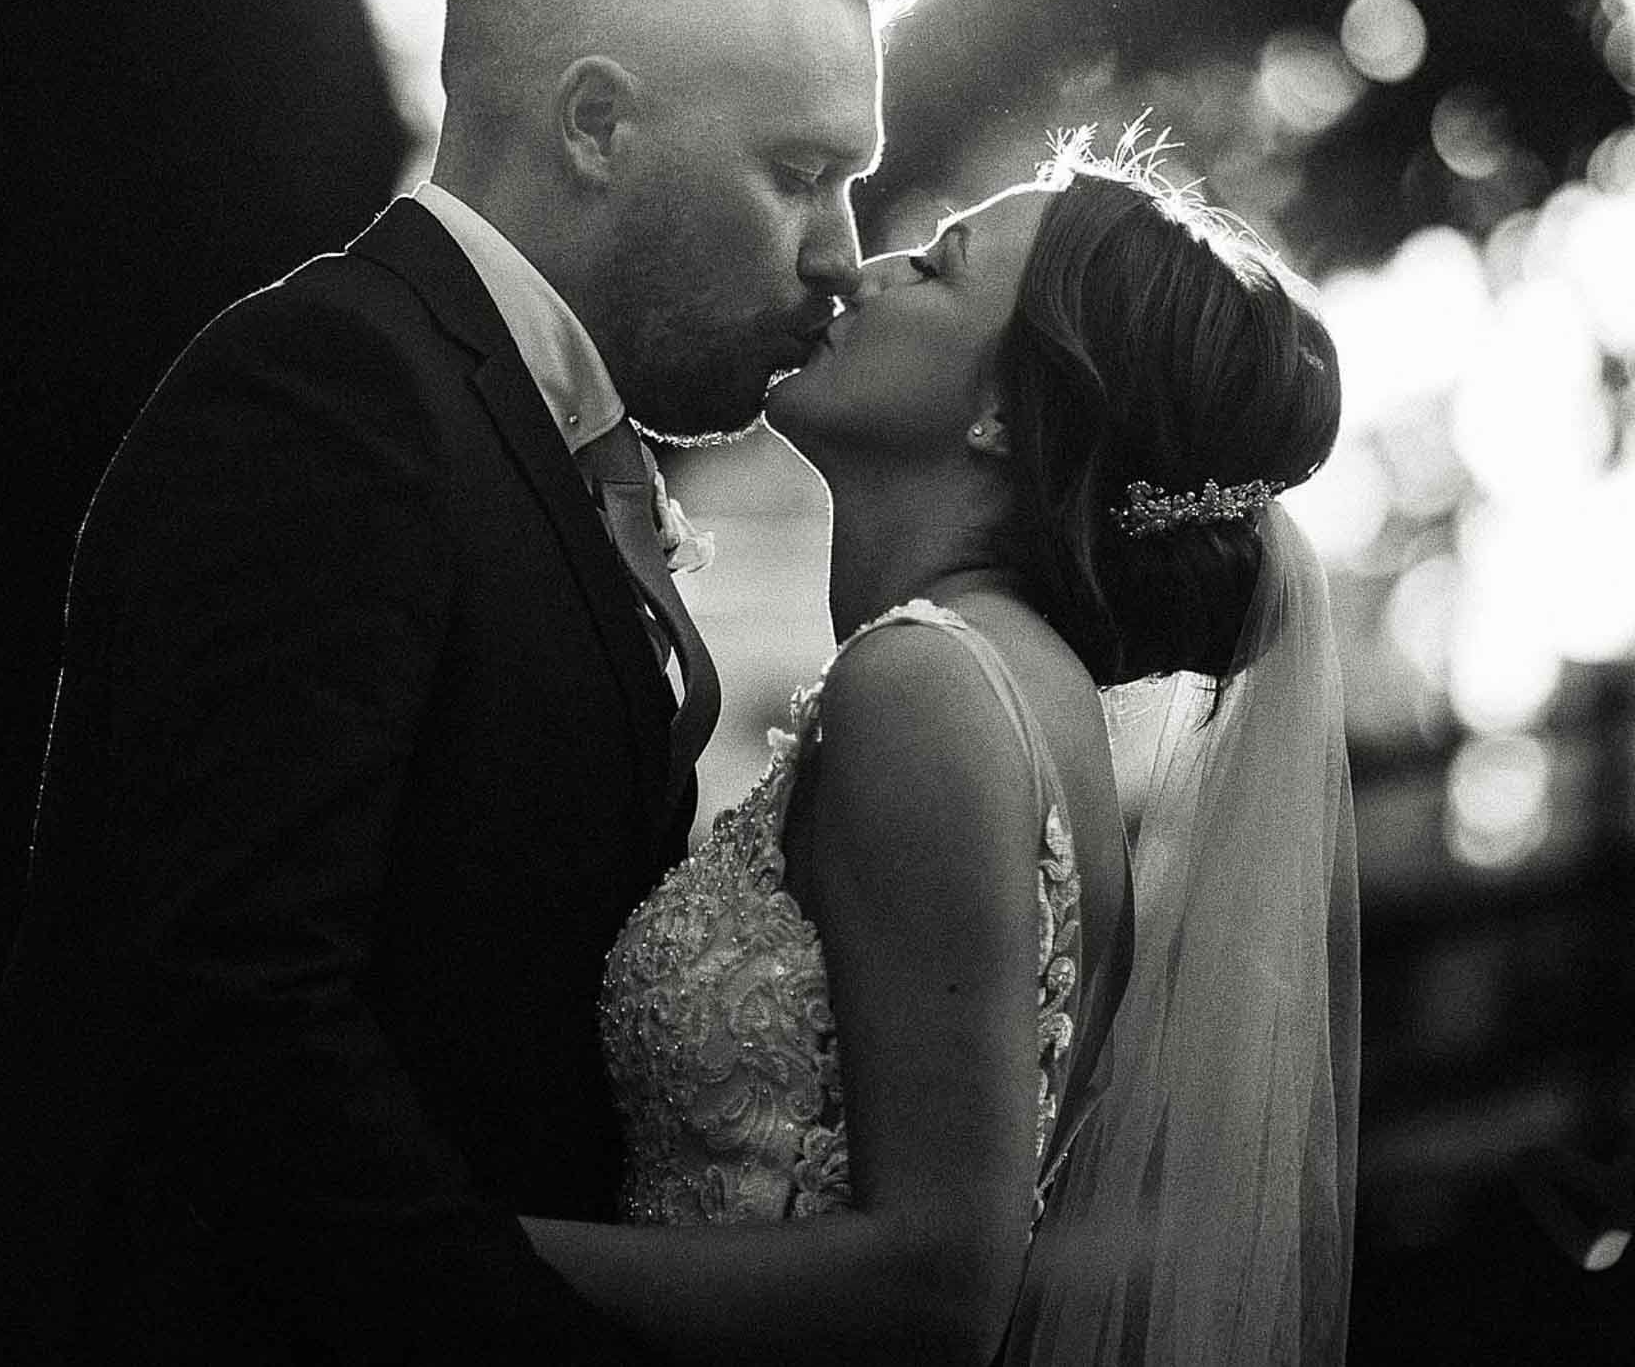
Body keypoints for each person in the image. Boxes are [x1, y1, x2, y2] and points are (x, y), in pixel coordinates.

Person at [0, 0, 888, 1365]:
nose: (841, 256)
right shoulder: (334, 394)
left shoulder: (517, 428)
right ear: (595, 122)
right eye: (800, 173)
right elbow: (242, 1014)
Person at [522, 136, 1362, 1367]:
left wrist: (440, 1254)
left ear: (1005, 414)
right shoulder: (1016, 686)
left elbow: (940, 1286)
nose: (861, 272)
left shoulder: (928, 684)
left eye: (936, 263)